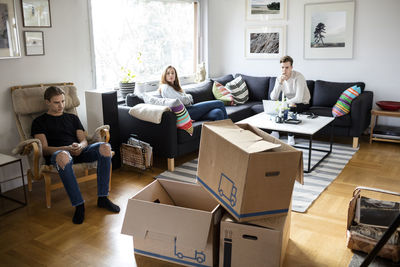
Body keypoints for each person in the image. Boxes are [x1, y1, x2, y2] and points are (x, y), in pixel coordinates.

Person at [31, 86, 120, 224]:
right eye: (56, 102)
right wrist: (65, 148)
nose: (61, 105)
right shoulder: (39, 122)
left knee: (105, 147)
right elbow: (45, 149)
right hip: (59, 155)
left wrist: (80, 146)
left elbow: (83, 139)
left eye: (63, 101)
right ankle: (79, 205)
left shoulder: (72, 118)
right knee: (63, 155)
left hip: (78, 151)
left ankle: (103, 198)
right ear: (47, 102)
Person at [158, 65, 228, 122]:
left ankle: (219, 138)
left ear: (175, 75)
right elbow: (182, 101)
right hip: (187, 112)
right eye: (168, 73)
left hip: (191, 111)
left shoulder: (175, 87)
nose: (171, 75)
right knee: (220, 103)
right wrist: (189, 97)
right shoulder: (166, 87)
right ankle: (230, 134)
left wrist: (187, 98)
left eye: (172, 73)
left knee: (218, 113)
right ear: (164, 75)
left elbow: (184, 99)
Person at [270, 55, 311, 145]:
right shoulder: (279, 78)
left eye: (287, 67)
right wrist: (279, 83)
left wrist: (283, 104)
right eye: (282, 67)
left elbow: (298, 98)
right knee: (277, 105)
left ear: (291, 67)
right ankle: (275, 132)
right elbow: (273, 97)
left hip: (302, 102)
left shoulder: (298, 77)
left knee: (290, 106)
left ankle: (290, 136)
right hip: (289, 102)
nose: (284, 70)